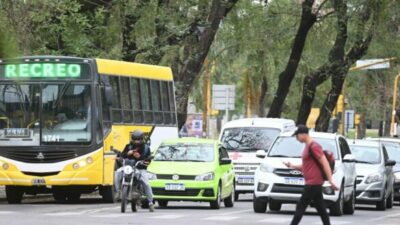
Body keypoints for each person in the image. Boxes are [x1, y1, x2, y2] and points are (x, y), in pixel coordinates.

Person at [283, 125, 338, 225]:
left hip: (313, 183)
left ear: (303, 134)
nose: (296, 138)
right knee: (321, 209)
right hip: (313, 183)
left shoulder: (314, 146)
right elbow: (306, 166)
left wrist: (330, 180)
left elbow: (325, 162)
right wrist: (292, 166)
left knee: (300, 206)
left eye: (297, 135)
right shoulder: (308, 146)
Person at [115, 129, 155, 212]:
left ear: (141, 139)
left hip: (140, 169)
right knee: (118, 172)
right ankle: (118, 191)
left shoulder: (146, 148)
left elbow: (148, 160)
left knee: (146, 183)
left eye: (138, 139)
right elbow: (122, 155)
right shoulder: (128, 146)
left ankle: (150, 202)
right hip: (128, 168)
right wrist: (125, 155)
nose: (136, 141)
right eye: (135, 139)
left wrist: (140, 158)